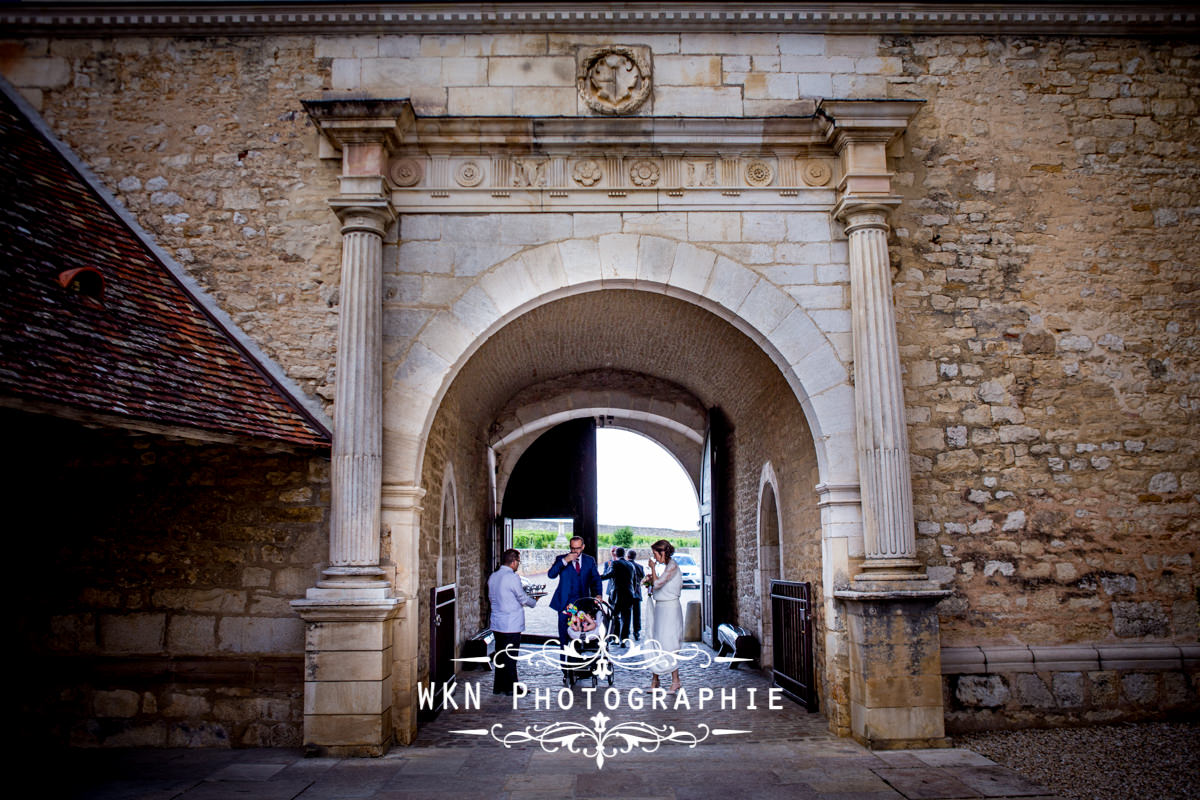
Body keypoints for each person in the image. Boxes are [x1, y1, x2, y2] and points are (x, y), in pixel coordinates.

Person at [487, 548, 537, 695]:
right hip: (511, 623)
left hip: (497, 622)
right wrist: (534, 601)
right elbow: (521, 597)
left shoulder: (493, 576)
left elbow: (492, 598)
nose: (518, 564)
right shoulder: (512, 577)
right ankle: (512, 688)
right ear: (514, 561)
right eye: (518, 562)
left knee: (501, 655)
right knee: (510, 658)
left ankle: (499, 686)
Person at [546, 536, 603, 667]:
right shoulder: (561, 559)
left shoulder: (589, 561)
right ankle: (564, 666)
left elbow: (596, 579)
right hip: (564, 605)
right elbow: (551, 575)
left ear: (583, 547)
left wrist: (598, 594)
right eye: (572, 548)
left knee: (579, 633)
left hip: (583, 605)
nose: (575, 551)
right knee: (564, 636)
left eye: (578, 548)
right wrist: (565, 560)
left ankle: (577, 665)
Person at [646, 539, 683, 693]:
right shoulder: (667, 567)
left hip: (670, 609)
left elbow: (658, 584)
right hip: (660, 607)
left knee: (669, 643)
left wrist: (653, 570)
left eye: (655, 554)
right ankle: (655, 679)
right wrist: (649, 580)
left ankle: (675, 681)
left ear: (662, 553)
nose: (654, 558)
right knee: (657, 641)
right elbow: (657, 584)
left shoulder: (672, 566)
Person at [599, 546, 636, 645]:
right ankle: (624, 640)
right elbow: (634, 581)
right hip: (629, 594)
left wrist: (597, 578)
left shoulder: (615, 563)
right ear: (624, 554)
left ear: (616, 554)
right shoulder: (630, 565)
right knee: (626, 618)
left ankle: (615, 639)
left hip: (617, 594)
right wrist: (633, 592)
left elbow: (609, 575)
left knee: (615, 617)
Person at [626, 549, 645, 641]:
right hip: (637, 592)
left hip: (627, 593)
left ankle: (626, 632)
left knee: (626, 614)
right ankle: (636, 632)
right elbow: (642, 579)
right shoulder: (640, 567)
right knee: (637, 614)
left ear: (627, 556)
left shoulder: (625, 565)